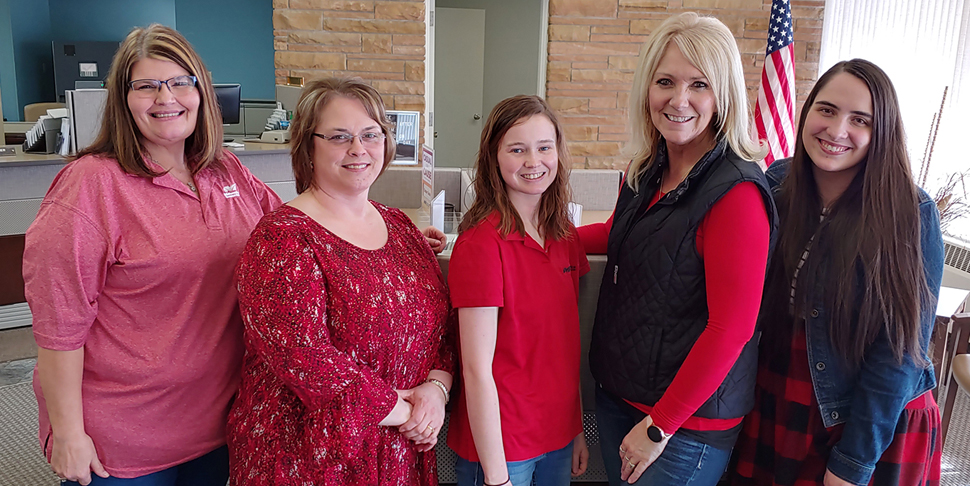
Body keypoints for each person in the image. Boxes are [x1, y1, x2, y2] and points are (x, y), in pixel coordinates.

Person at [22, 24, 282, 485]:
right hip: (122, 441)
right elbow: (59, 326)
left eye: (181, 82)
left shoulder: (225, 168)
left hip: (218, 425)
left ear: (202, 91)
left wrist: (387, 235)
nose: (167, 98)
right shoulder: (91, 186)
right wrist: (67, 432)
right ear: (123, 99)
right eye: (146, 86)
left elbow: (296, 234)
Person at [577, 12, 777, 485]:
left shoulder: (737, 193)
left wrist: (661, 424)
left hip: (681, 425)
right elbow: (619, 233)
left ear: (723, 94)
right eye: (665, 81)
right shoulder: (648, 166)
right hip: (623, 395)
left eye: (699, 85)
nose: (678, 100)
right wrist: (525, 235)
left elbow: (732, 328)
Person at [227, 77, 454, 486]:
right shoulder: (283, 238)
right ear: (308, 147)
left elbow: (440, 326)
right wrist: (406, 413)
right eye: (339, 137)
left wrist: (436, 391)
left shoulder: (399, 226)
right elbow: (304, 356)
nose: (358, 149)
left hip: (398, 450)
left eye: (371, 134)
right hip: (310, 458)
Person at [731, 59, 945, 486]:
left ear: (881, 131)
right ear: (807, 112)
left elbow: (900, 354)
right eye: (826, 110)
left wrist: (852, 463)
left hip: (868, 414)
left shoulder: (910, 213)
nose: (836, 129)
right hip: (780, 395)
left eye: (859, 120)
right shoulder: (777, 184)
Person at [446, 95, 591, 486]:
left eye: (544, 147)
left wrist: (575, 427)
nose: (533, 161)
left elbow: (563, 344)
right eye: (517, 149)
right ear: (494, 157)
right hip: (502, 445)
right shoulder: (481, 245)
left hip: (557, 435)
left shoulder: (563, 236)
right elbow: (475, 369)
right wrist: (496, 479)